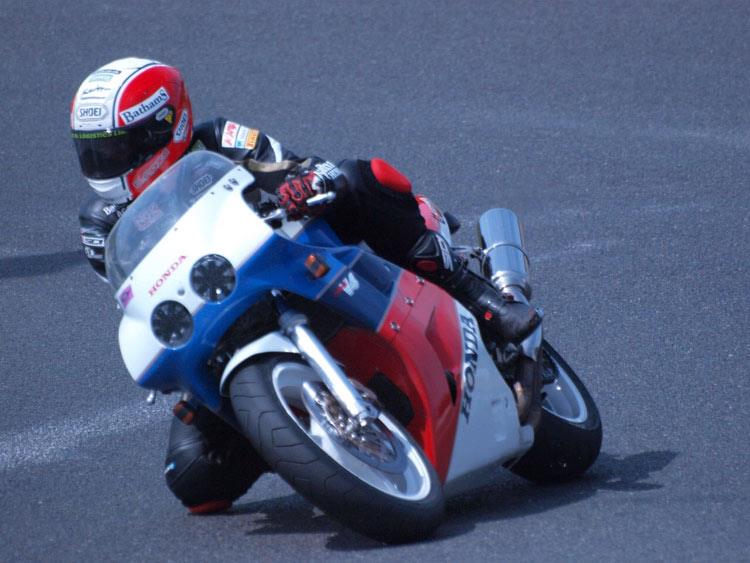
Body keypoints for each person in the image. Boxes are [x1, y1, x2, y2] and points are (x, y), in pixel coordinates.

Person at [72, 57, 541, 513]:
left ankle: (476, 294)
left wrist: (299, 184)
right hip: (211, 310)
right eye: (92, 151)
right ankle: (294, 432)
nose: (103, 162)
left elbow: (294, 166)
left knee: (357, 178)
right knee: (193, 480)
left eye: (114, 149)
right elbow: (138, 298)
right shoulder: (100, 222)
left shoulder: (216, 140)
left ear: (165, 128)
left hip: (293, 253)